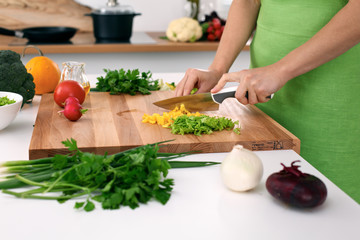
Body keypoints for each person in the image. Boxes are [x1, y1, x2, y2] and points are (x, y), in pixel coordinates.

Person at [175, 0, 360, 203]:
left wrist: (281, 70)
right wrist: (218, 69)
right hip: (263, 103)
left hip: (332, 103)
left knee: (332, 212)